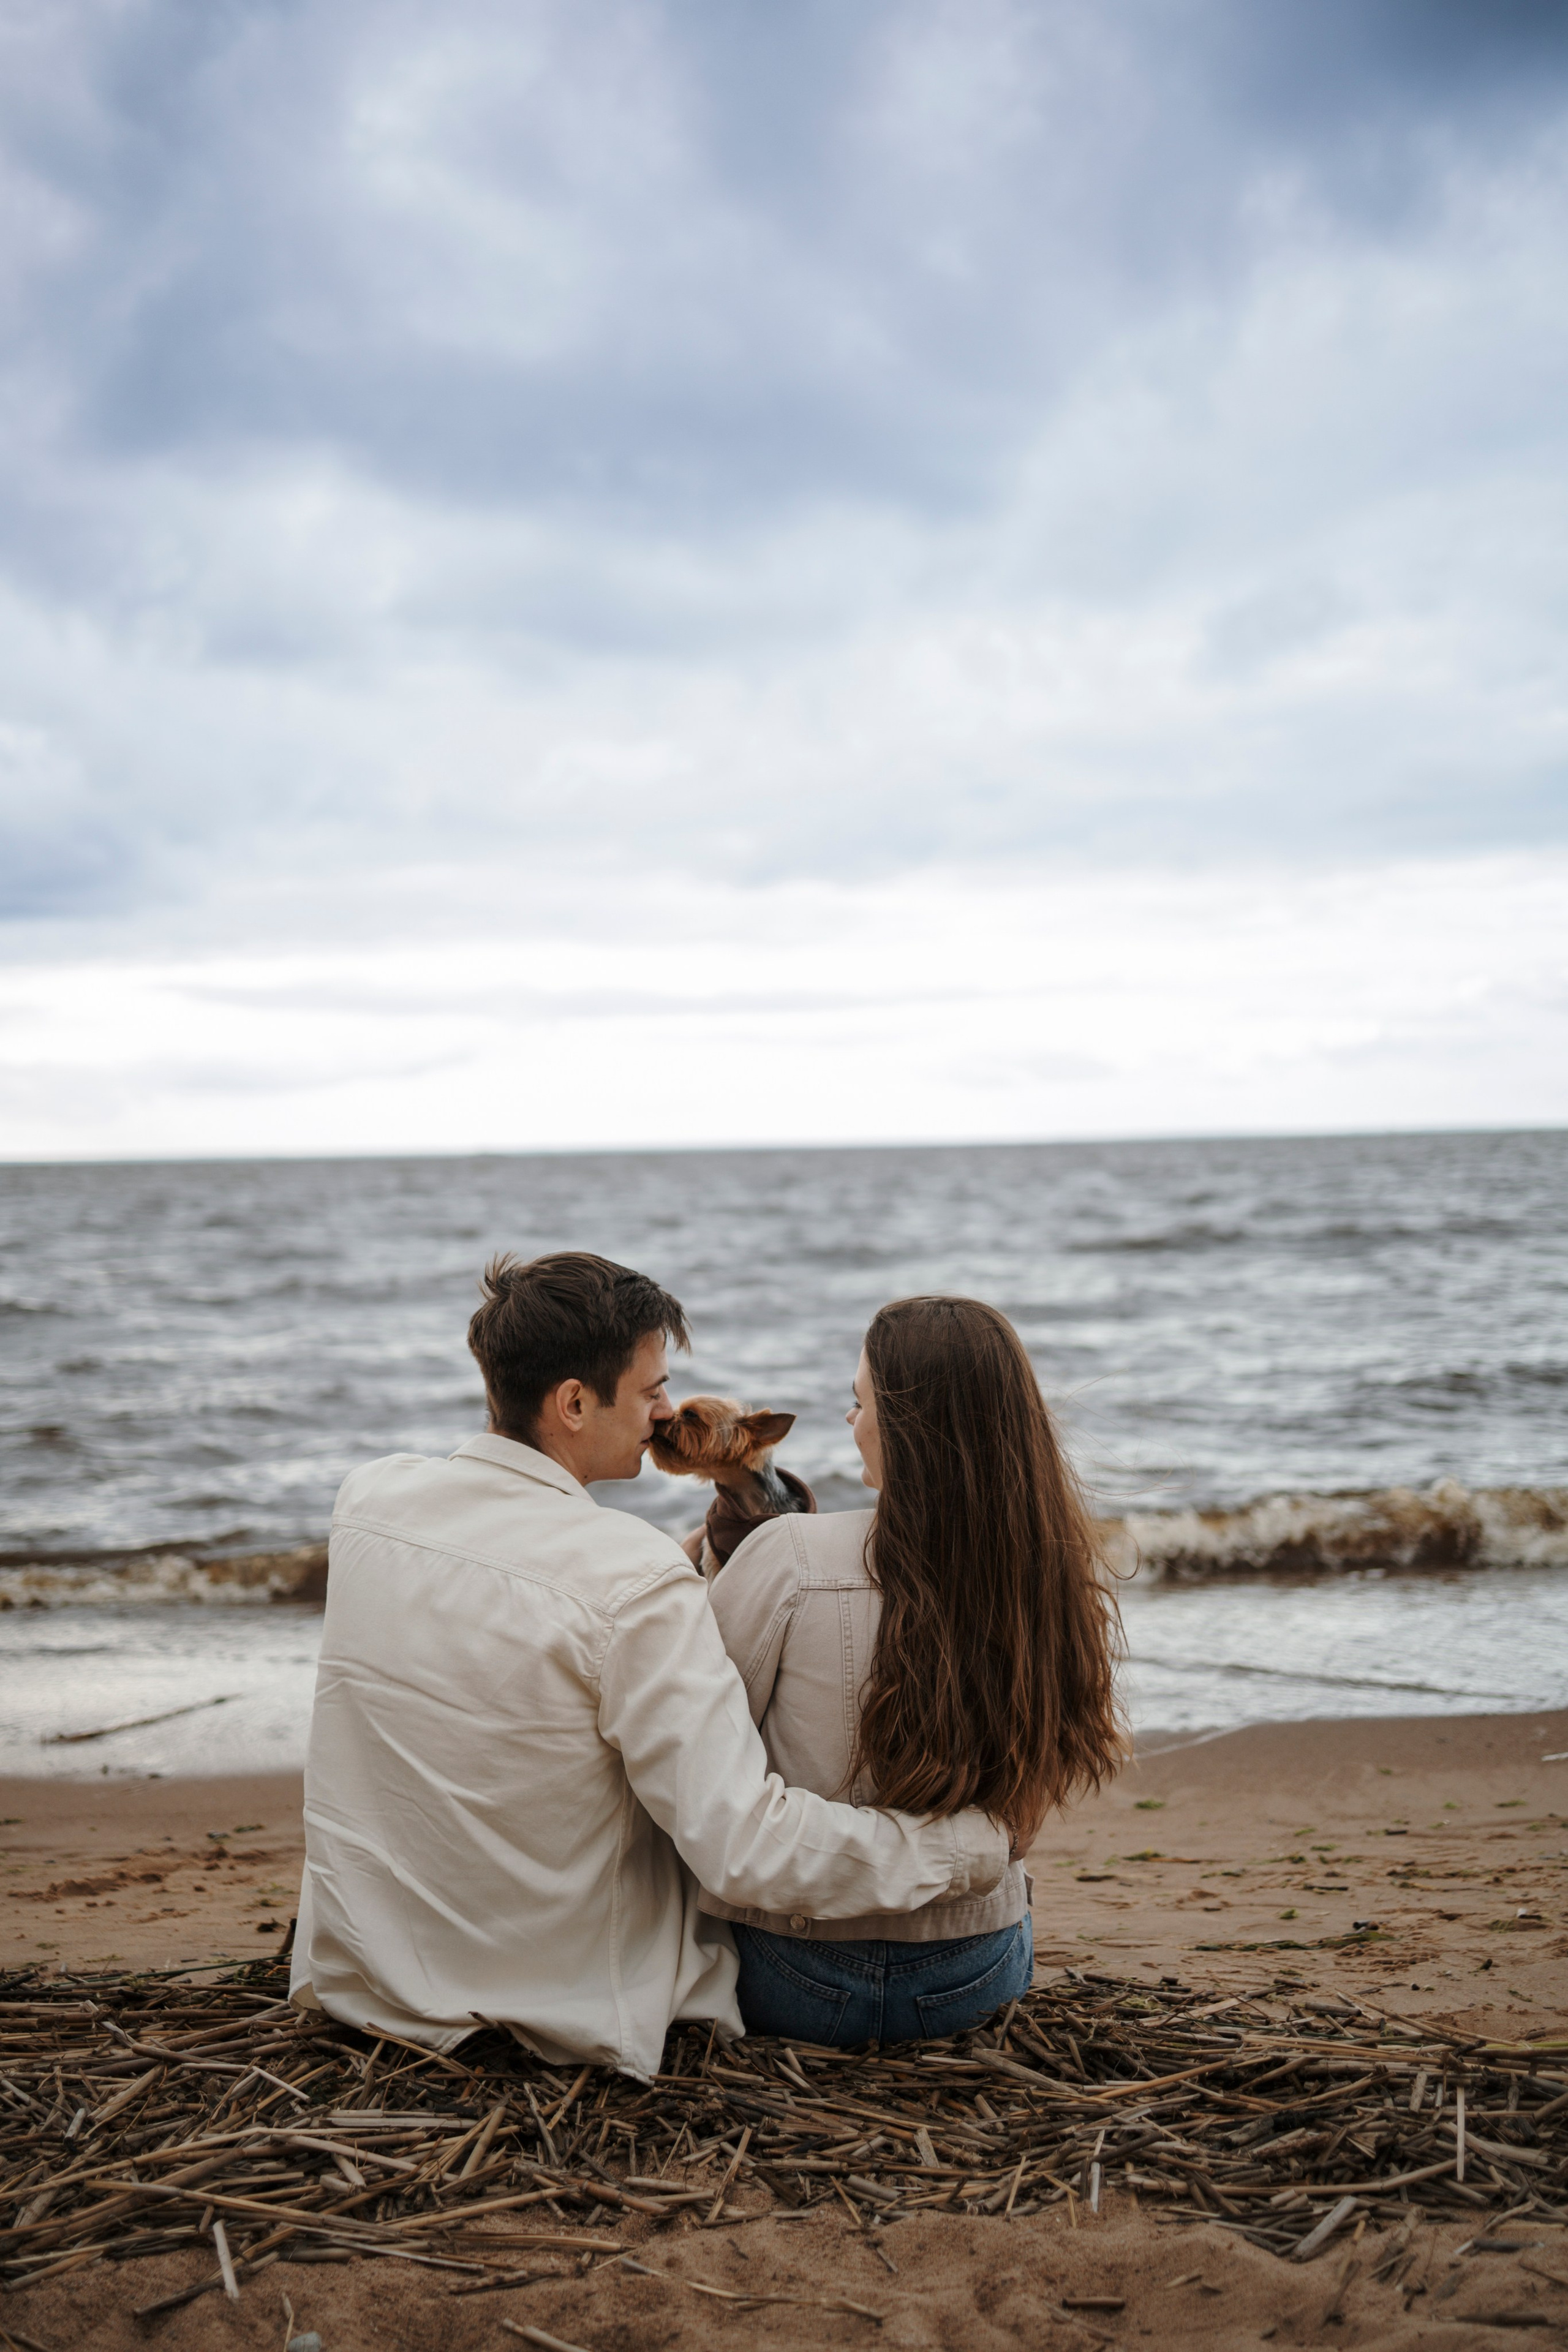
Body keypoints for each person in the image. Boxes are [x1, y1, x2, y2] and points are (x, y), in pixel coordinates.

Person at [288, 1254, 1010, 2079]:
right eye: (650, 1391)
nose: (665, 1412)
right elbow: (749, 1850)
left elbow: (529, 1597)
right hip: (560, 2002)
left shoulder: (369, 1502)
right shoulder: (631, 1578)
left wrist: (697, 1563)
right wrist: (963, 1851)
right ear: (571, 1402)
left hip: (372, 1978)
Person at [703, 1294, 1125, 2046]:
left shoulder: (792, 1557)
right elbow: (1032, 1798)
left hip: (788, 1972)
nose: (849, 1421)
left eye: (858, 1401)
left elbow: (700, 1731)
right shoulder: (1049, 1566)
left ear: (904, 1423)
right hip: (972, 1973)